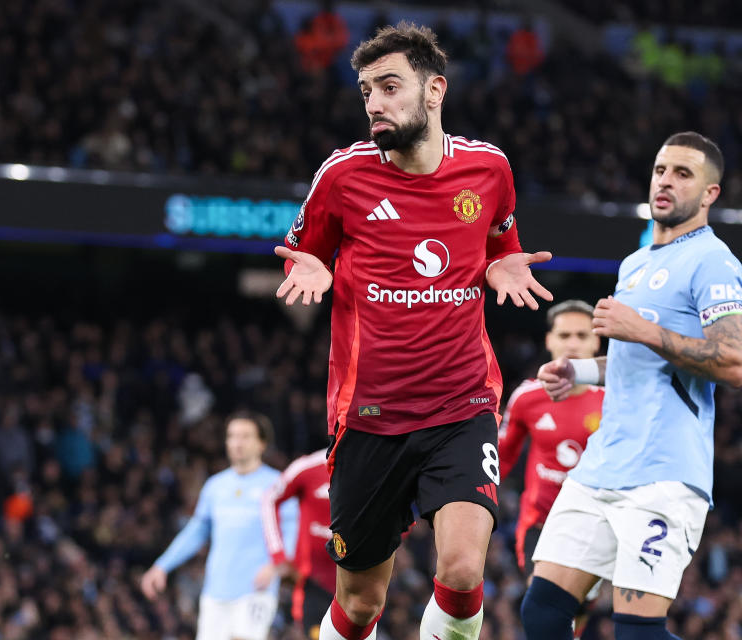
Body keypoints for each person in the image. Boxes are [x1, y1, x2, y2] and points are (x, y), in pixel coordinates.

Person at [272, 22, 553, 640]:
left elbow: (502, 239)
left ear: (434, 91)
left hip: (462, 405)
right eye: (367, 90)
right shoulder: (342, 178)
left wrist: (502, 259)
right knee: (362, 602)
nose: (375, 102)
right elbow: (302, 253)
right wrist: (312, 265)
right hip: (368, 418)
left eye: (390, 86)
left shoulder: (489, 170)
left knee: (458, 570)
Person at [519, 132, 742, 640]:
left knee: (637, 634)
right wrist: (579, 372)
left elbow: (734, 362)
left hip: (663, 476)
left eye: (683, 174)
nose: (666, 181)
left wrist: (640, 328)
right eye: (661, 170)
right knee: (541, 614)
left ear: (710, 194)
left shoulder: (714, 262)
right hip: (602, 466)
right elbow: (635, 358)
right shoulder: (637, 263)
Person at [140, 411, 298, 640]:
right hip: (215, 592)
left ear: (262, 443)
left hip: (256, 591)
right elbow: (196, 531)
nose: (237, 443)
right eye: (232, 436)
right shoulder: (216, 486)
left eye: (245, 436)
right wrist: (162, 565)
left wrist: (276, 566)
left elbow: (292, 530)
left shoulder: (277, 485)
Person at [499, 299, 603, 576]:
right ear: (549, 340)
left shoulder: (616, 402)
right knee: (542, 605)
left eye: (582, 335)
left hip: (598, 527)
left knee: (575, 615)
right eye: (564, 335)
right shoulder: (526, 397)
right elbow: (500, 458)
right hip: (540, 527)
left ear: (597, 342)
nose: (572, 344)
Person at [257, 448, 335, 639]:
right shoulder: (308, 467)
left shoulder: (377, 467)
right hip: (314, 583)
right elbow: (270, 499)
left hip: (362, 582)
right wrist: (278, 556)